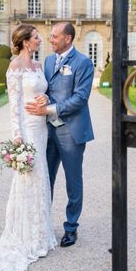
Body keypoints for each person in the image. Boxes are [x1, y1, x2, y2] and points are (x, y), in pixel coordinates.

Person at [0, 24, 57, 271]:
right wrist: (18, 138)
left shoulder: (37, 66)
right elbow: (14, 105)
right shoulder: (15, 67)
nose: (40, 40)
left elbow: (43, 93)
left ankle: (41, 234)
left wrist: (45, 99)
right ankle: (25, 236)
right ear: (24, 42)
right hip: (28, 130)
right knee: (27, 179)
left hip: (42, 128)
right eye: (35, 38)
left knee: (41, 177)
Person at [26, 22, 94, 248]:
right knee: (46, 179)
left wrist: (49, 109)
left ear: (68, 38)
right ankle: (44, 225)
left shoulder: (83, 62)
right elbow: (47, 90)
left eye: (55, 36)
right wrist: (43, 99)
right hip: (47, 131)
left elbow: (80, 98)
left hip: (71, 130)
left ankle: (71, 228)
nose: (50, 39)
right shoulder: (47, 60)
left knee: (73, 182)